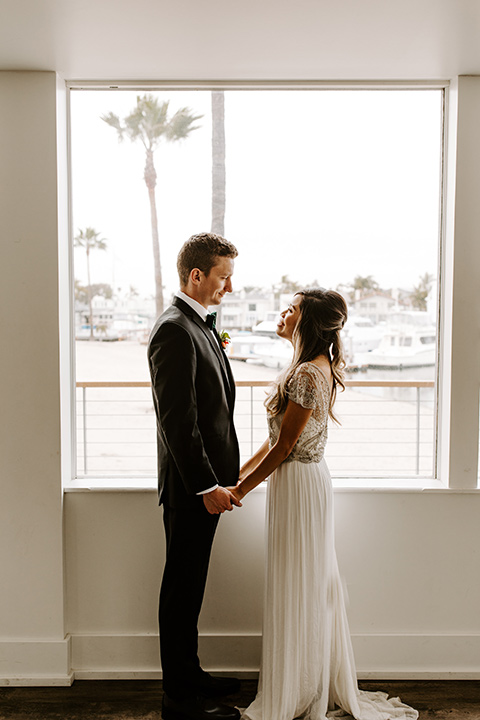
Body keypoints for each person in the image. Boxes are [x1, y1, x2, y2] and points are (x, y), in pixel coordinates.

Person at [229, 289, 418, 720]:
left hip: (298, 482)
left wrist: (240, 492)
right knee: (301, 579)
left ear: (307, 322)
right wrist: (237, 474)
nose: (283, 313)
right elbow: (275, 443)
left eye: (291, 309)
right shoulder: (312, 368)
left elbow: (284, 448)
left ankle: (299, 687)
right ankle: (300, 677)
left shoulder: (307, 375)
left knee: (300, 581)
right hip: (299, 482)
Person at [148, 233, 242, 720]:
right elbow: (177, 421)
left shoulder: (199, 324)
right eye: (223, 277)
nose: (229, 287)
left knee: (191, 586)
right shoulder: (173, 330)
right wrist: (206, 486)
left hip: (208, 486)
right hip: (192, 490)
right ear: (196, 275)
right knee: (181, 589)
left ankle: (191, 675)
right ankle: (179, 701)